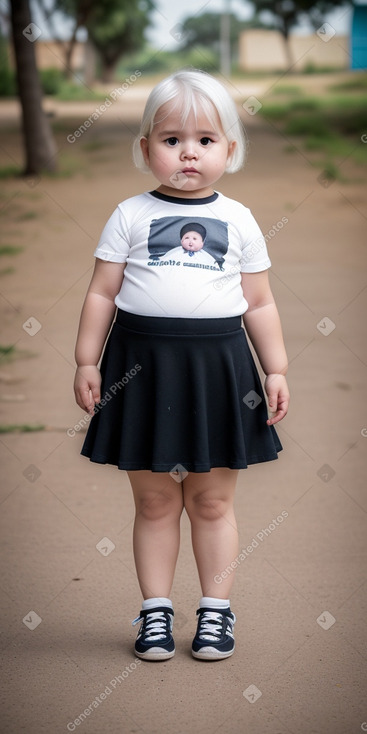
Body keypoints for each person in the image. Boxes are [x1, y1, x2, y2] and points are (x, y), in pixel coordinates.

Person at [73, 69, 290, 663]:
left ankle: (216, 614)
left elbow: (260, 302)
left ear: (230, 150)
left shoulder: (240, 220)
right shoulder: (130, 215)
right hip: (139, 369)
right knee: (154, 502)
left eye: (205, 140)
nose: (187, 152)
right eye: (170, 140)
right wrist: (87, 359)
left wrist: (275, 369)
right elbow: (100, 293)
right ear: (146, 150)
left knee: (213, 501)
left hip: (220, 373)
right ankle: (155, 612)